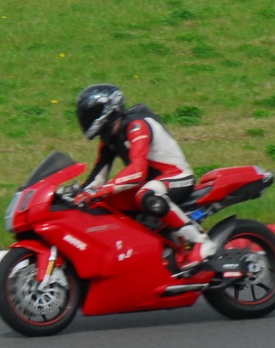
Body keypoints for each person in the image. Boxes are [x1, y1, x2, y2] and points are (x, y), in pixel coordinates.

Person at [70, 83, 212, 268]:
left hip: (177, 177)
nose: (86, 119)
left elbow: (138, 171)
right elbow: (97, 177)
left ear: (109, 110)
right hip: (151, 183)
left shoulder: (137, 125)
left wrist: (102, 190)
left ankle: (200, 242)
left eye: (91, 114)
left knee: (147, 195)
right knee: (105, 203)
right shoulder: (109, 139)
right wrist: (76, 194)